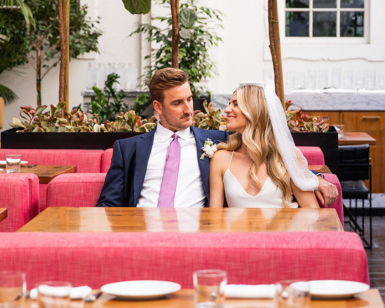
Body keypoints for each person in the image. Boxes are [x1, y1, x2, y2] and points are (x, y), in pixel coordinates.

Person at [98, 69, 338, 207]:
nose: (188, 109)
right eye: (178, 103)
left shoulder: (218, 142)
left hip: (196, 234)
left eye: (189, 99)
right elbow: (108, 204)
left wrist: (317, 179)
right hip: (143, 232)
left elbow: (271, 153)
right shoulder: (127, 149)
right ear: (158, 107)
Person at [209, 84, 320, 208]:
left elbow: (312, 212)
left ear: (254, 109)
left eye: (236, 104)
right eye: (230, 103)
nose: (227, 109)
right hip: (236, 228)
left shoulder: (289, 156)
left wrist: (319, 180)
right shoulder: (221, 159)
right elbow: (215, 216)